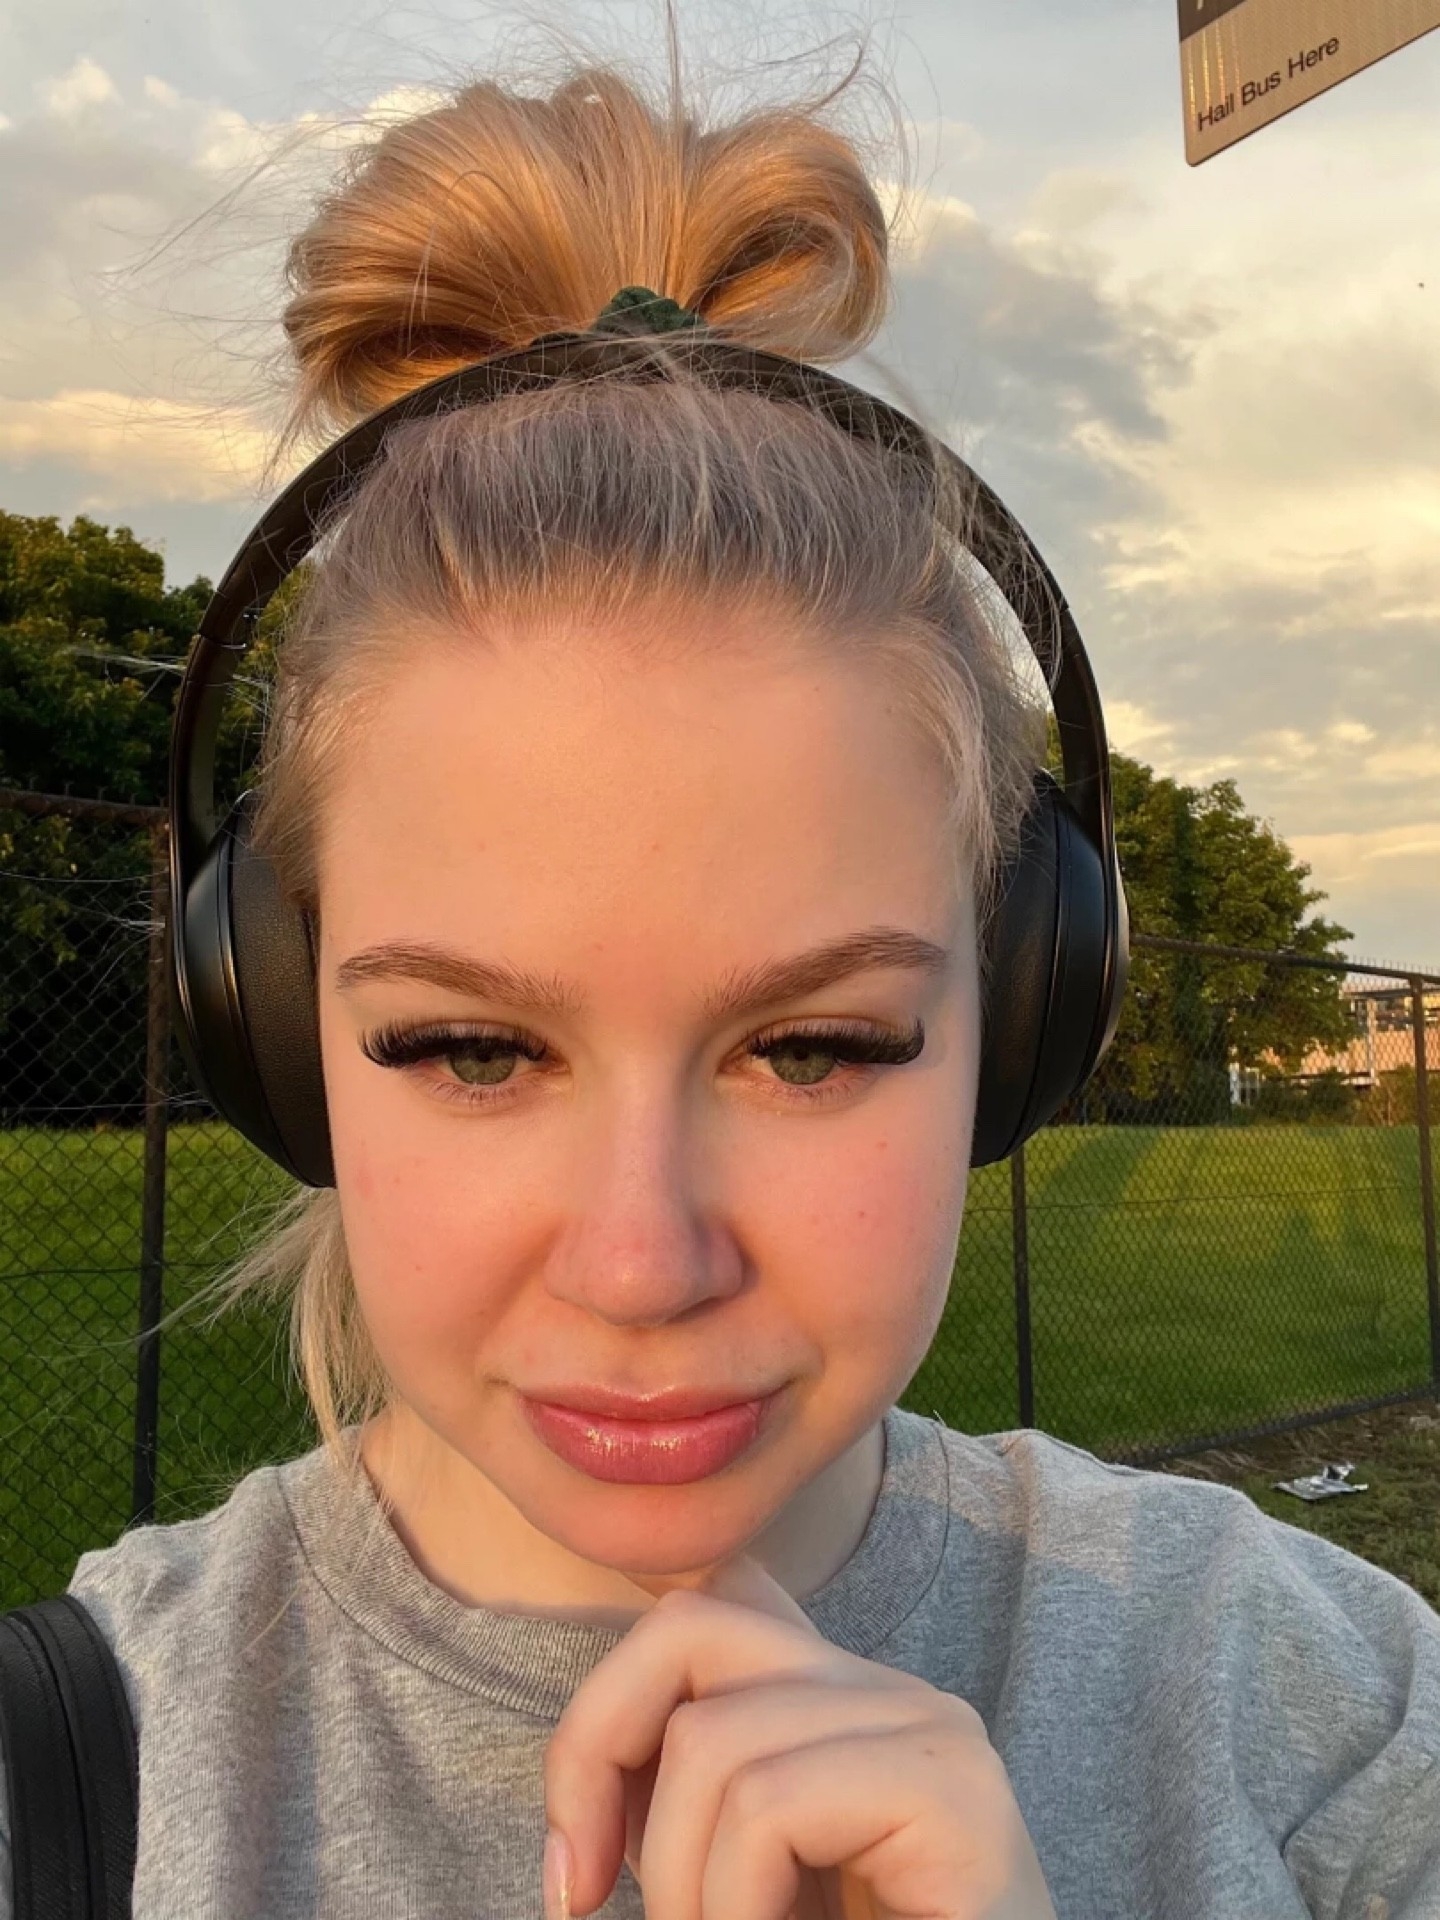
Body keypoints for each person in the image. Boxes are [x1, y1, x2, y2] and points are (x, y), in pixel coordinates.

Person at [6, 36, 1440, 1920]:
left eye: (815, 1047)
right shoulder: (63, 1787)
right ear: (271, 1025)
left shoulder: (1329, 1721)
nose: (640, 1264)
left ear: (1020, 1013)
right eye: (470, 1048)